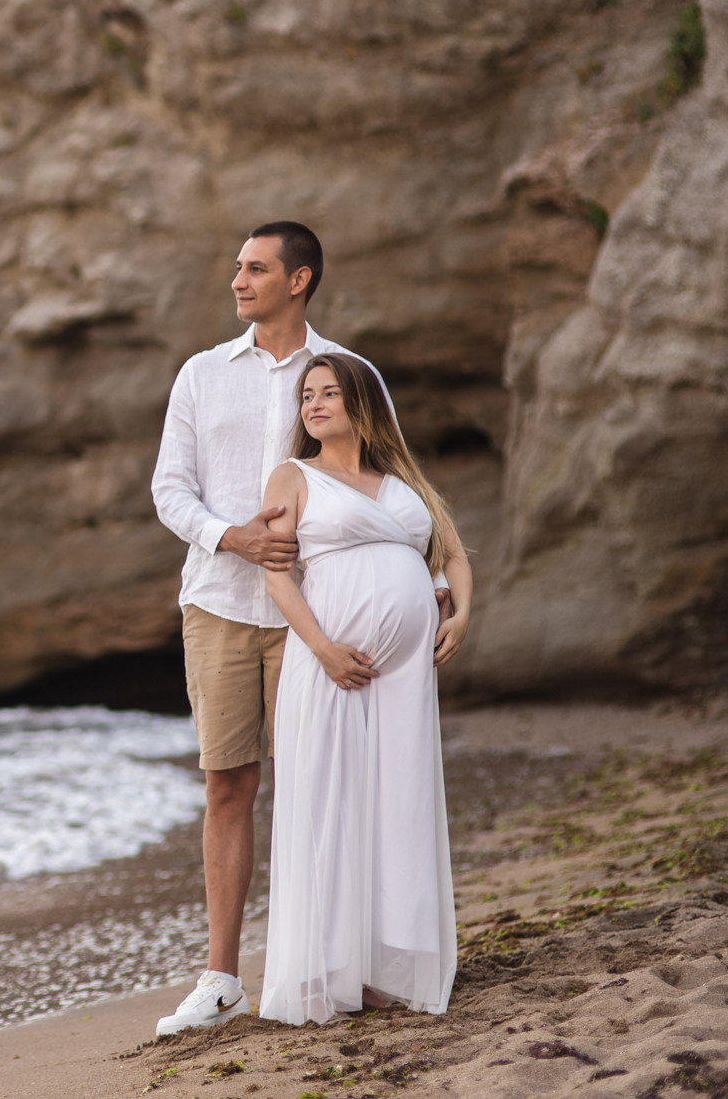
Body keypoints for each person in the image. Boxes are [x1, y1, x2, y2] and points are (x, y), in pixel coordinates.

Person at [149, 222, 447, 1036]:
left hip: (318, 611)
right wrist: (232, 535)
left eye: (255, 268)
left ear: (299, 279)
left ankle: (337, 960)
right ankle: (221, 978)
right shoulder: (202, 373)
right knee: (227, 783)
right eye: (237, 266)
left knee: (330, 780)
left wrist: (444, 581)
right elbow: (169, 489)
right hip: (218, 601)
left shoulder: (344, 374)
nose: (238, 280)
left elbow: (394, 485)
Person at [256, 352, 469, 1023]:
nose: (313, 405)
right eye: (306, 396)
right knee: (332, 797)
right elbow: (276, 574)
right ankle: (326, 971)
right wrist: (321, 649)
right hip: (330, 665)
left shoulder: (401, 477)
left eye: (328, 393)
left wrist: (462, 611)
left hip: (404, 675)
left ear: (360, 402)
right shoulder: (292, 476)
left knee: (393, 799)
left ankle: (376, 968)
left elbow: (453, 554)